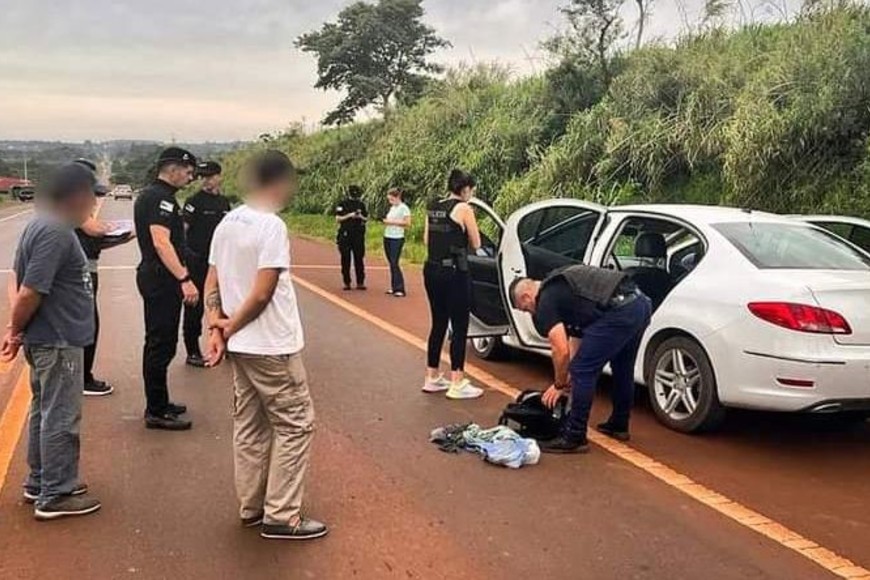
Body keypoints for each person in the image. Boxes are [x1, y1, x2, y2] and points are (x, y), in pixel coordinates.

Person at [203, 150, 327, 541]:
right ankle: (282, 515)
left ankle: (252, 506)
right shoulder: (270, 225)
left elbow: (213, 280)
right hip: (272, 344)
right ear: (276, 182)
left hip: (241, 346)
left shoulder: (227, 221)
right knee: (296, 425)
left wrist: (217, 329)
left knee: (250, 425)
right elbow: (262, 292)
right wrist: (231, 325)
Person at [1, 163, 101, 520]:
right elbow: (30, 290)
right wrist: (14, 330)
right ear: (74, 195)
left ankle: (41, 480)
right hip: (58, 338)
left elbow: (18, 276)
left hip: (49, 336)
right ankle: (55, 493)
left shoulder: (40, 224)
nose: (94, 202)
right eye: (91, 194)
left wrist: (18, 330)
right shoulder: (56, 230)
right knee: (61, 415)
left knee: (44, 410)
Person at [509, 265, 652, 454]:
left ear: (526, 297)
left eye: (525, 309)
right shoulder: (561, 286)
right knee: (622, 368)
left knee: (584, 371)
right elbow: (576, 337)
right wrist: (568, 377)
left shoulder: (545, 300)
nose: (530, 313)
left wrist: (560, 384)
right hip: (639, 304)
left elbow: (560, 349)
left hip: (619, 312)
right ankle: (619, 424)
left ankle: (574, 436)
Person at [133, 147, 199, 431]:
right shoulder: (159, 199)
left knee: (163, 342)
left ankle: (161, 401)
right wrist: (184, 278)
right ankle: (156, 410)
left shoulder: (158, 196)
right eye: (186, 170)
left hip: (158, 277)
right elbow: (161, 242)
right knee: (160, 344)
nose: (189, 175)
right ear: (171, 169)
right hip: (161, 279)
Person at [421, 169, 484, 400]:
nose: (471, 193)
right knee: (459, 326)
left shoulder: (433, 206)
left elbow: (426, 240)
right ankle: (457, 381)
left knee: (438, 323)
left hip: (431, 270)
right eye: (471, 189)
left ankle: (432, 377)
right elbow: (476, 243)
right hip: (455, 273)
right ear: (465, 189)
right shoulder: (464, 208)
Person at [73, 158, 134, 396]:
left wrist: (121, 236)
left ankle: (81, 376)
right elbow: (95, 230)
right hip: (79, 275)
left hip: (88, 269)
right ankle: (82, 379)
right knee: (86, 325)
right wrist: (116, 228)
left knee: (89, 324)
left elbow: (94, 239)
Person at [182, 161, 230, 368]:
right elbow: (183, 231)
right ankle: (192, 351)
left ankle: (227, 345)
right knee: (195, 307)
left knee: (225, 304)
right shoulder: (194, 202)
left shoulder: (224, 203)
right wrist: (185, 258)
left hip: (221, 262)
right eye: (202, 177)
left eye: (210, 176)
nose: (206, 181)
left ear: (219, 177)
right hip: (197, 261)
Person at [334, 185, 368, 291]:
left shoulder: (361, 204)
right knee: (345, 258)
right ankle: (347, 281)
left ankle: (360, 282)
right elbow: (338, 218)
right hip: (345, 234)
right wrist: (349, 215)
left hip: (358, 234)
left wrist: (360, 216)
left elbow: (366, 218)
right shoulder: (342, 204)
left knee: (359, 258)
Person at [382, 188, 411, 297]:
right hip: (388, 235)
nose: (390, 201)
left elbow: (407, 223)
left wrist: (391, 222)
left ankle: (400, 288)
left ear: (397, 197)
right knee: (391, 262)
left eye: (391, 199)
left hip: (397, 237)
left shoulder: (404, 208)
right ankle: (394, 286)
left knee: (395, 262)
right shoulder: (392, 208)